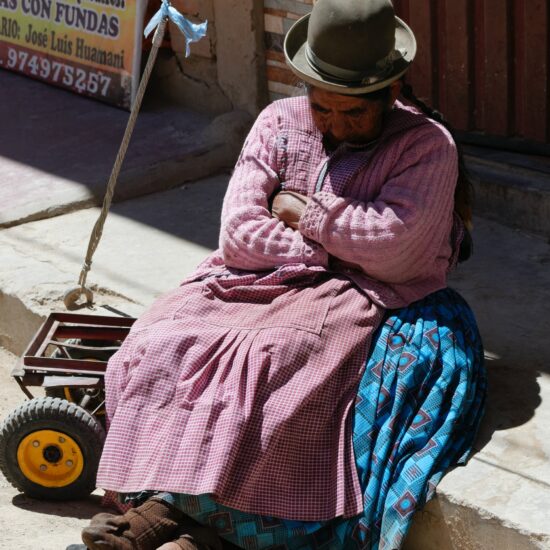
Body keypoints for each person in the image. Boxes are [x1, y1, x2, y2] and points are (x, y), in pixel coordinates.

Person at [75, 1, 486, 548]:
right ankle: (159, 508)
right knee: (161, 344)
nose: (336, 126)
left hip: (363, 293)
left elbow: (393, 251)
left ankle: (213, 536)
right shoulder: (277, 122)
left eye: (354, 114)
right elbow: (239, 234)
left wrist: (302, 212)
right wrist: (334, 245)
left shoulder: (427, 145)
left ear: (390, 94)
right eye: (323, 110)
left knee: (282, 370)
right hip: (256, 279)